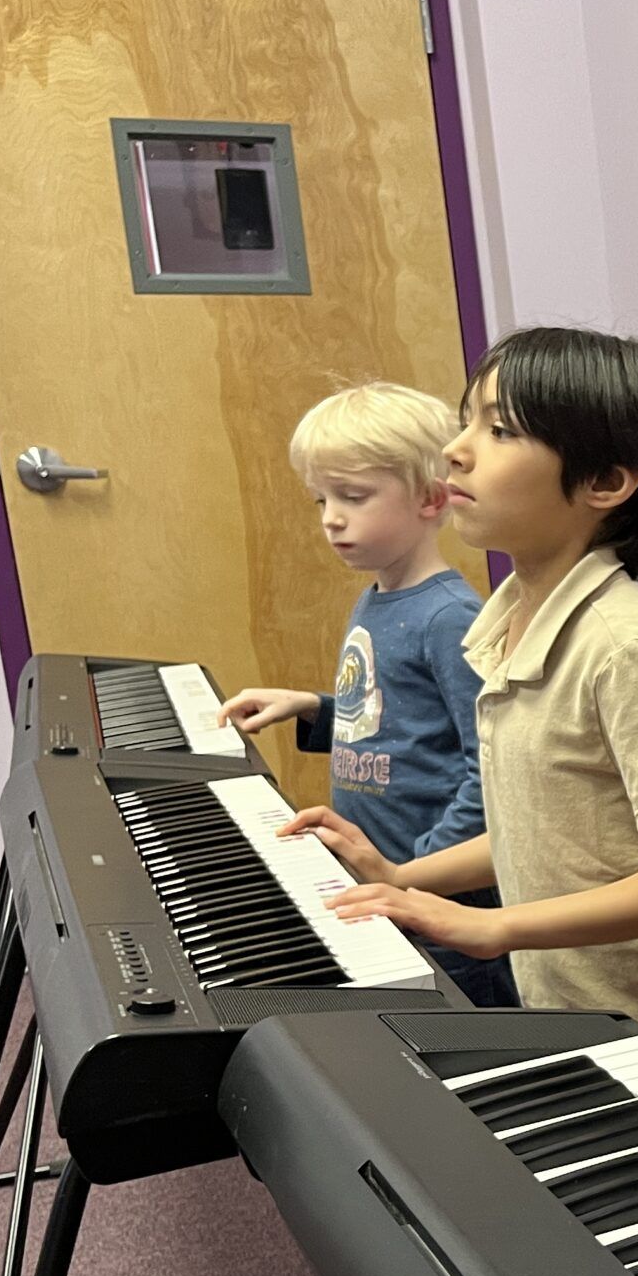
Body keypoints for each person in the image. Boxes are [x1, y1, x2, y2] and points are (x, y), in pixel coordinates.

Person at [286, 328, 638, 1125]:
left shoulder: (619, 647)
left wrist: (495, 927)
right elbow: (538, 831)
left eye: (499, 430)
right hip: (606, 1024)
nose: (456, 451)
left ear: (606, 481)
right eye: (465, 421)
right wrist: (404, 879)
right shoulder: (504, 624)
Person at [218, 382, 516, 1004]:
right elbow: (397, 722)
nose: (331, 516)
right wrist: (313, 710)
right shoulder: (377, 597)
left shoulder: (449, 618)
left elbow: (491, 770)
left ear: (433, 498)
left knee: (460, 1027)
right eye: (321, 497)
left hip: (435, 897)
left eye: (353, 496)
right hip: (384, 879)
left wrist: (420, 875)